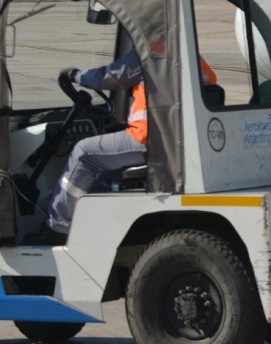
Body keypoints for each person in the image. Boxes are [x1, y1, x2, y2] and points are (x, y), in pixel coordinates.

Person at [45, 51, 218, 240]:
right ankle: (94, 216)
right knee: (106, 159)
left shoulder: (150, 51)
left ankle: (59, 225)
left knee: (83, 153)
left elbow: (108, 77)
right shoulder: (191, 56)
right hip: (175, 139)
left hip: (148, 139)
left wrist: (74, 75)